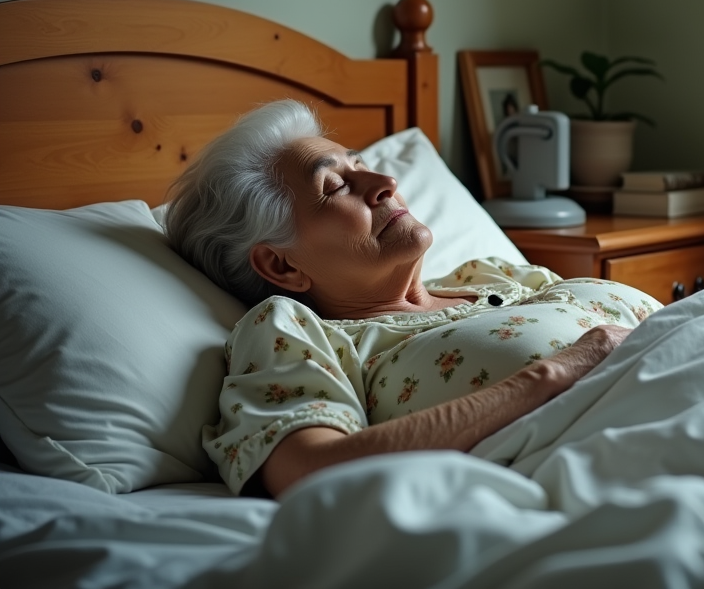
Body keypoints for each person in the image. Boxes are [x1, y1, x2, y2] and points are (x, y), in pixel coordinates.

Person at [166, 101, 660, 498]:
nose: (386, 185)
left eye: (362, 165)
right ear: (282, 265)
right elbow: (311, 473)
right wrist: (557, 371)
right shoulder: (294, 332)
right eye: (336, 186)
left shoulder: (494, 274)